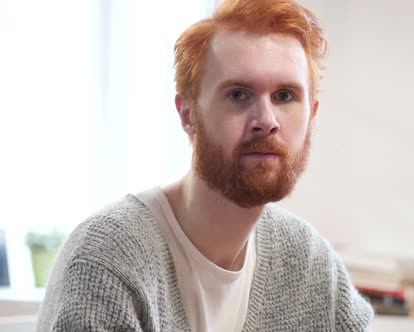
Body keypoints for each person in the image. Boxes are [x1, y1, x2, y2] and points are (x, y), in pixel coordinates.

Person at [37, 0, 374, 331]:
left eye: (284, 96)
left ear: (312, 115)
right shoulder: (107, 259)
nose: (266, 120)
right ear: (188, 115)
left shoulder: (308, 261)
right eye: (239, 95)